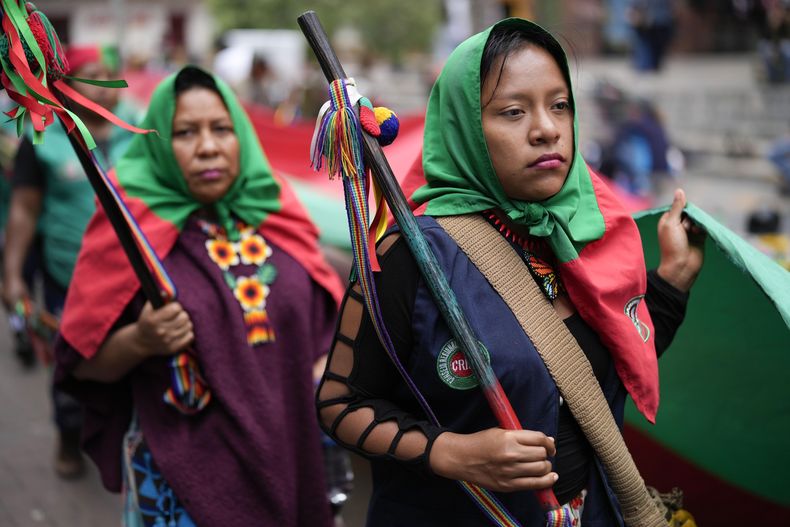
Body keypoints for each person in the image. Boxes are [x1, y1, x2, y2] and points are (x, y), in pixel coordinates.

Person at [317, 18, 705, 525]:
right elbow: (341, 402)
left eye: (559, 105)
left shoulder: (590, 233)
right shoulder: (410, 253)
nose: (546, 128)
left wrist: (672, 279)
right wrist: (451, 452)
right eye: (514, 111)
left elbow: (601, 369)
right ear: (466, 127)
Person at [53, 66, 343, 526]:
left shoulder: (275, 207)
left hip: (292, 457)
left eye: (221, 129)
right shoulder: (127, 227)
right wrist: (140, 340)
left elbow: (326, 333)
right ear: (157, 142)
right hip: (183, 486)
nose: (207, 146)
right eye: (185, 132)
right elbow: (81, 364)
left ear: (241, 136)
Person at [1, 45, 139, 479]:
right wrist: (12, 275)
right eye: (90, 74)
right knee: (73, 362)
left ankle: (128, 441)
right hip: (69, 279)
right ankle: (68, 434)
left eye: (108, 74)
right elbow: (24, 209)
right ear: (66, 84)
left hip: (136, 278)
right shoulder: (43, 138)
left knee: (135, 361)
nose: (103, 84)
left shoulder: (139, 129)